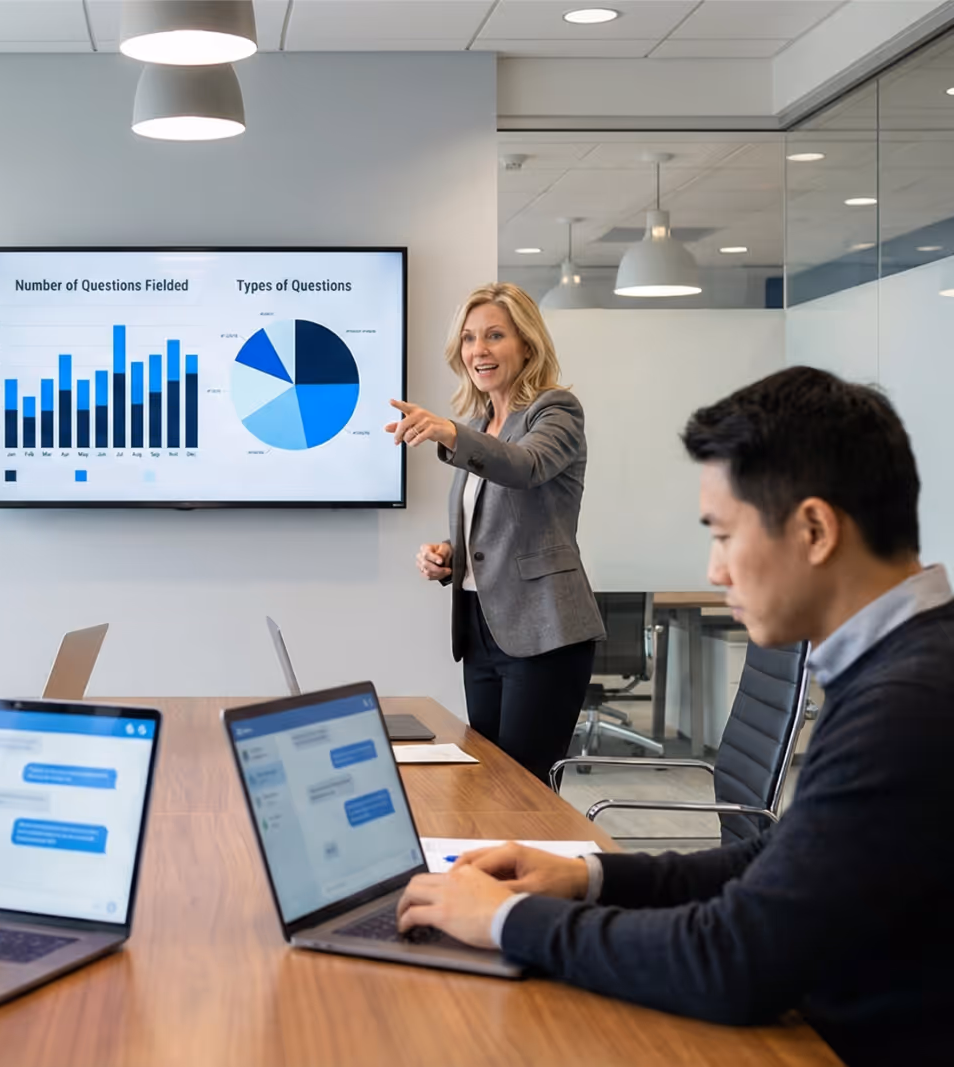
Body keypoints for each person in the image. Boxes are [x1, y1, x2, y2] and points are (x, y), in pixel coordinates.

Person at [394, 366, 952, 1066]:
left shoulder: (908, 705)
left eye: (722, 535)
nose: (715, 571)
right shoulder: (906, 665)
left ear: (814, 528)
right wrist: (589, 877)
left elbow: (731, 958)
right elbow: (779, 857)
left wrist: (506, 918)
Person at [386, 282, 604, 783]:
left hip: (545, 632)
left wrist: (448, 432)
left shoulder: (555, 411)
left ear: (526, 344)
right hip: (483, 629)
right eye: (468, 338)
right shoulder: (482, 423)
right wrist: (451, 555)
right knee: (487, 783)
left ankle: (542, 865)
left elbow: (526, 467)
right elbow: (499, 525)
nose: (478, 350)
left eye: (494, 335)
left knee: (524, 790)